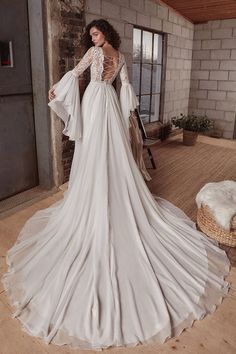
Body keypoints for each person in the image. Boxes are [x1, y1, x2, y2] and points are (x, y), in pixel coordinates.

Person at [2, 19, 230, 351]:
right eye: (91, 35)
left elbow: (77, 72)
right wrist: (126, 113)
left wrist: (55, 87)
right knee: (112, 153)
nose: (92, 38)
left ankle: (96, 195)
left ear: (104, 33)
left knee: (94, 151)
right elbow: (126, 89)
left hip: (96, 103)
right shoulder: (120, 56)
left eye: (95, 33)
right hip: (110, 105)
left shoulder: (95, 54)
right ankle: (109, 191)